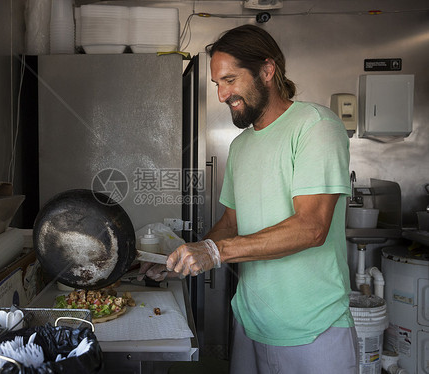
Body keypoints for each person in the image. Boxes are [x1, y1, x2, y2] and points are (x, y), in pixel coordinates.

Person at [141, 24, 358, 373]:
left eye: (230, 80)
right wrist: (180, 261)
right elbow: (231, 223)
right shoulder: (240, 147)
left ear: (267, 71)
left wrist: (215, 252)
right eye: (217, 84)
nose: (222, 94)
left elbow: (312, 227)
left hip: (312, 332)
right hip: (250, 323)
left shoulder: (315, 126)